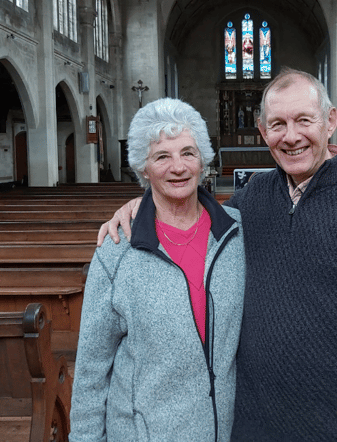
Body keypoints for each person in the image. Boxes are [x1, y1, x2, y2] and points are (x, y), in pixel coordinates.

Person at [98, 68, 337, 441]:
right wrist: (142, 207)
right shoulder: (252, 198)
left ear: (330, 121)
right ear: (263, 130)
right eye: (278, 124)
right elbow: (196, 220)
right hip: (253, 425)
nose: (291, 136)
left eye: (304, 120)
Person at [70, 98, 245, 442]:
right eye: (162, 156)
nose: (178, 166)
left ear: (203, 161)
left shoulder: (237, 233)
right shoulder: (117, 251)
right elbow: (92, 367)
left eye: (188, 153)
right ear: (143, 168)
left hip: (225, 430)